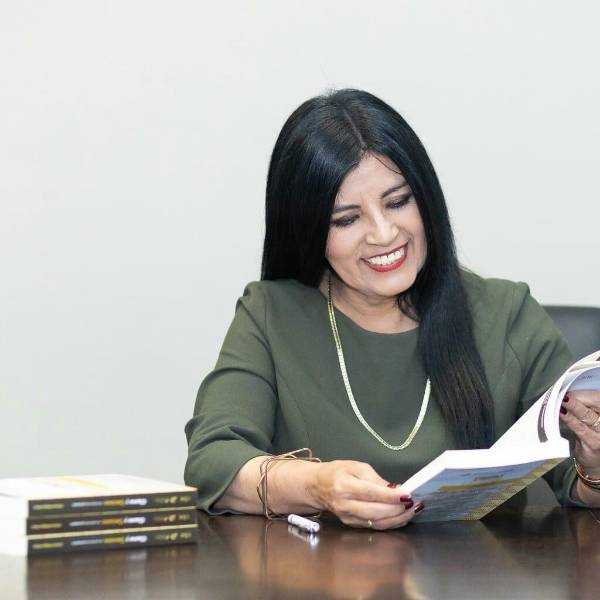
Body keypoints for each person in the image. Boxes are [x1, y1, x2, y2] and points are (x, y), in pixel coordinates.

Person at [184, 89, 600, 529]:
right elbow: (212, 463)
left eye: (398, 201)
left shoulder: (506, 314)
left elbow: (577, 484)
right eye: (347, 219)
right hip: (320, 570)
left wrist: (593, 465)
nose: (383, 234)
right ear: (308, 231)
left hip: (484, 569)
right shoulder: (271, 314)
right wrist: (318, 486)